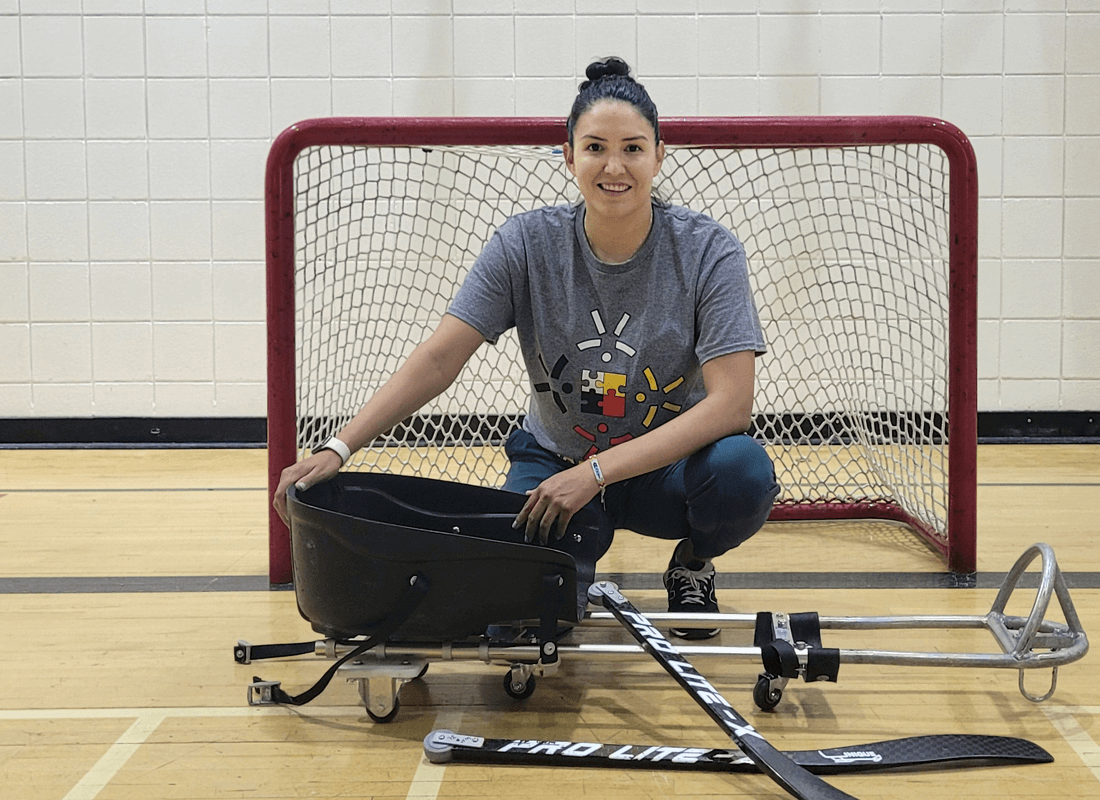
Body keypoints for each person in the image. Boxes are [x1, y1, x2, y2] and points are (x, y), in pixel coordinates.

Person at [273, 57, 779, 639]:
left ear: (659, 155)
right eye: (594, 147)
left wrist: (598, 472)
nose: (614, 166)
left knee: (742, 472)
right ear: (569, 157)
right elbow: (441, 356)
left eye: (633, 148)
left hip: (663, 471)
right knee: (528, 616)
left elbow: (731, 404)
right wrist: (338, 447)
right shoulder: (525, 243)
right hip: (557, 464)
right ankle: (570, 564)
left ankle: (692, 564)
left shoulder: (708, 250)